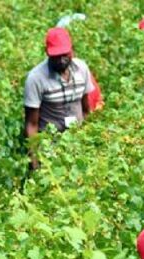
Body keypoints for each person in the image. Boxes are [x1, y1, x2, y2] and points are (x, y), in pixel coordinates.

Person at [23, 28, 96, 169]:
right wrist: (35, 162)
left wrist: (87, 141)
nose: (61, 60)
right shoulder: (36, 78)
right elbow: (31, 124)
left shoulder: (82, 69)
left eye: (65, 54)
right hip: (50, 148)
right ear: (47, 53)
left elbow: (86, 109)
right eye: (56, 56)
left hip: (77, 143)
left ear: (72, 50)